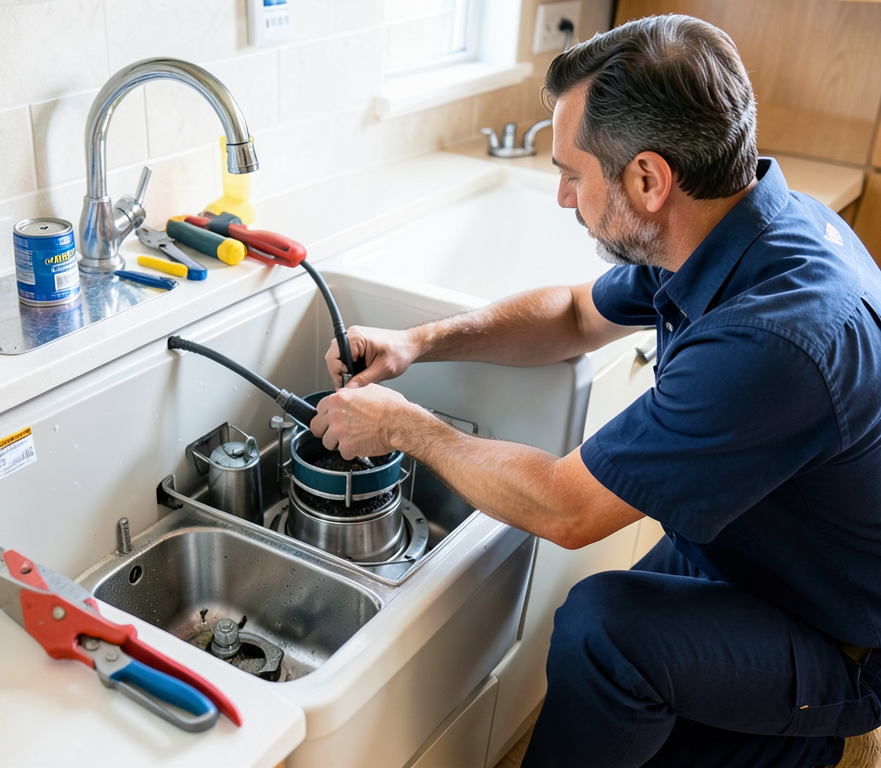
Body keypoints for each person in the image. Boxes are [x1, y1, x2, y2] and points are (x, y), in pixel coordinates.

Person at [309, 14, 881, 768]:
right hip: (767, 560)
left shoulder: (774, 339)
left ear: (648, 179)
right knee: (621, 669)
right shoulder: (735, 224)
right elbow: (578, 313)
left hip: (840, 638)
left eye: (571, 175)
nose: (559, 197)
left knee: (603, 631)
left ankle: (819, 739)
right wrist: (421, 342)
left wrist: (408, 428)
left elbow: (566, 508)